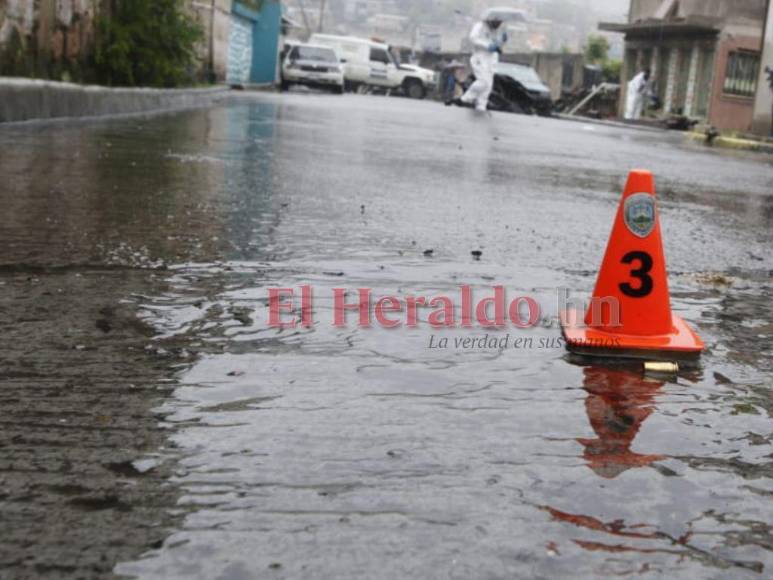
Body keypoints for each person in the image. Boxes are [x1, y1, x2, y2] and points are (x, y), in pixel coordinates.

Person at [458, 10, 508, 112]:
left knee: (488, 85)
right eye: (497, 22)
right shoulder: (480, 26)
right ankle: (465, 99)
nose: (499, 24)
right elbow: (473, 38)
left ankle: (481, 105)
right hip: (480, 57)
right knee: (483, 81)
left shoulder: (496, 31)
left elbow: (496, 45)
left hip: (490, 60)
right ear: (492, 20)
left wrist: (502, 41)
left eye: (500, 22)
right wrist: (487, 45)